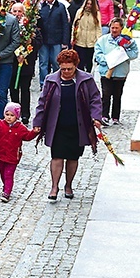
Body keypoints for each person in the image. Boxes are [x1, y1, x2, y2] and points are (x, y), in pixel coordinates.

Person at [33, 49, 102, 201]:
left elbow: (95, 99)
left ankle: (68, 185)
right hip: (57, 125)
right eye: (63, 68)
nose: (66, 72)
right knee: (57, 156)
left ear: (75, 66)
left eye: (69, 69)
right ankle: (54, 187)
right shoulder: (51, 80)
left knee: (73, 157)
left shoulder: (86, 79)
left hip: (78, 125)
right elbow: (42, 103)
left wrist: (96, 117)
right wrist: (37, 122)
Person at [0, 102, 39, 202]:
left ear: (17, 116)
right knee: (2, 174)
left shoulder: (20, 128)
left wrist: (34, 132)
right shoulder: (0, 124)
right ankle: (6, 186)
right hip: (1, 155)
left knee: (8, 174)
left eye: (12, 115)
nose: (9, 117)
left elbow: (27, 136)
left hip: (13, 157)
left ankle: (7, 192)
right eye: (7, 114)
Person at [94, 17, 139, 126]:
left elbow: (134, 54)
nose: (114, 30)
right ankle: (104, 115)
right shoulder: (103, 40)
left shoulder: (128, 41)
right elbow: (98, 54)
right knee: (106, 94)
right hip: (106, 72)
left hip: (120, 73)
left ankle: (115, 117)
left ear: (121, 29)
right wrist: (108, 60)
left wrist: (123, 55)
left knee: (117, 95)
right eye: (112, 27)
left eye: (116, 28)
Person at [9, 2, 42, 125]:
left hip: (27, 64)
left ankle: (25, 114)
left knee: (25, 89)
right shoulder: (8, 25)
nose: (17, 14)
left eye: (19, 11)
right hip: (12, 62)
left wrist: (30, 41)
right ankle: (14, 113)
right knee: (13, 89)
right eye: (15, 11)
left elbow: (39, 43)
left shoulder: (30, 27)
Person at [37, 0, 70, 88]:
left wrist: (65, 41)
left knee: (56, 62)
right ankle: (44, 83)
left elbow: (65, 24)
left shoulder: (60, 7)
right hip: (44, 40)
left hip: (57, 39)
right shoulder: (41, 7)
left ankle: (56, 82)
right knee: (43, 63)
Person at [71, 0, 102, 73]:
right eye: (87, 4)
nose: (88, 6)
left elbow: (98, 28)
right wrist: (73, 37)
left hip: (91, 42)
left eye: (91, 4)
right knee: (79, 62)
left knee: (88, 62)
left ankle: (87, 77)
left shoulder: (96, 14)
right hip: (80, 40)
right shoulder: (80, 12)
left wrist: (98, 40)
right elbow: (75, 25)